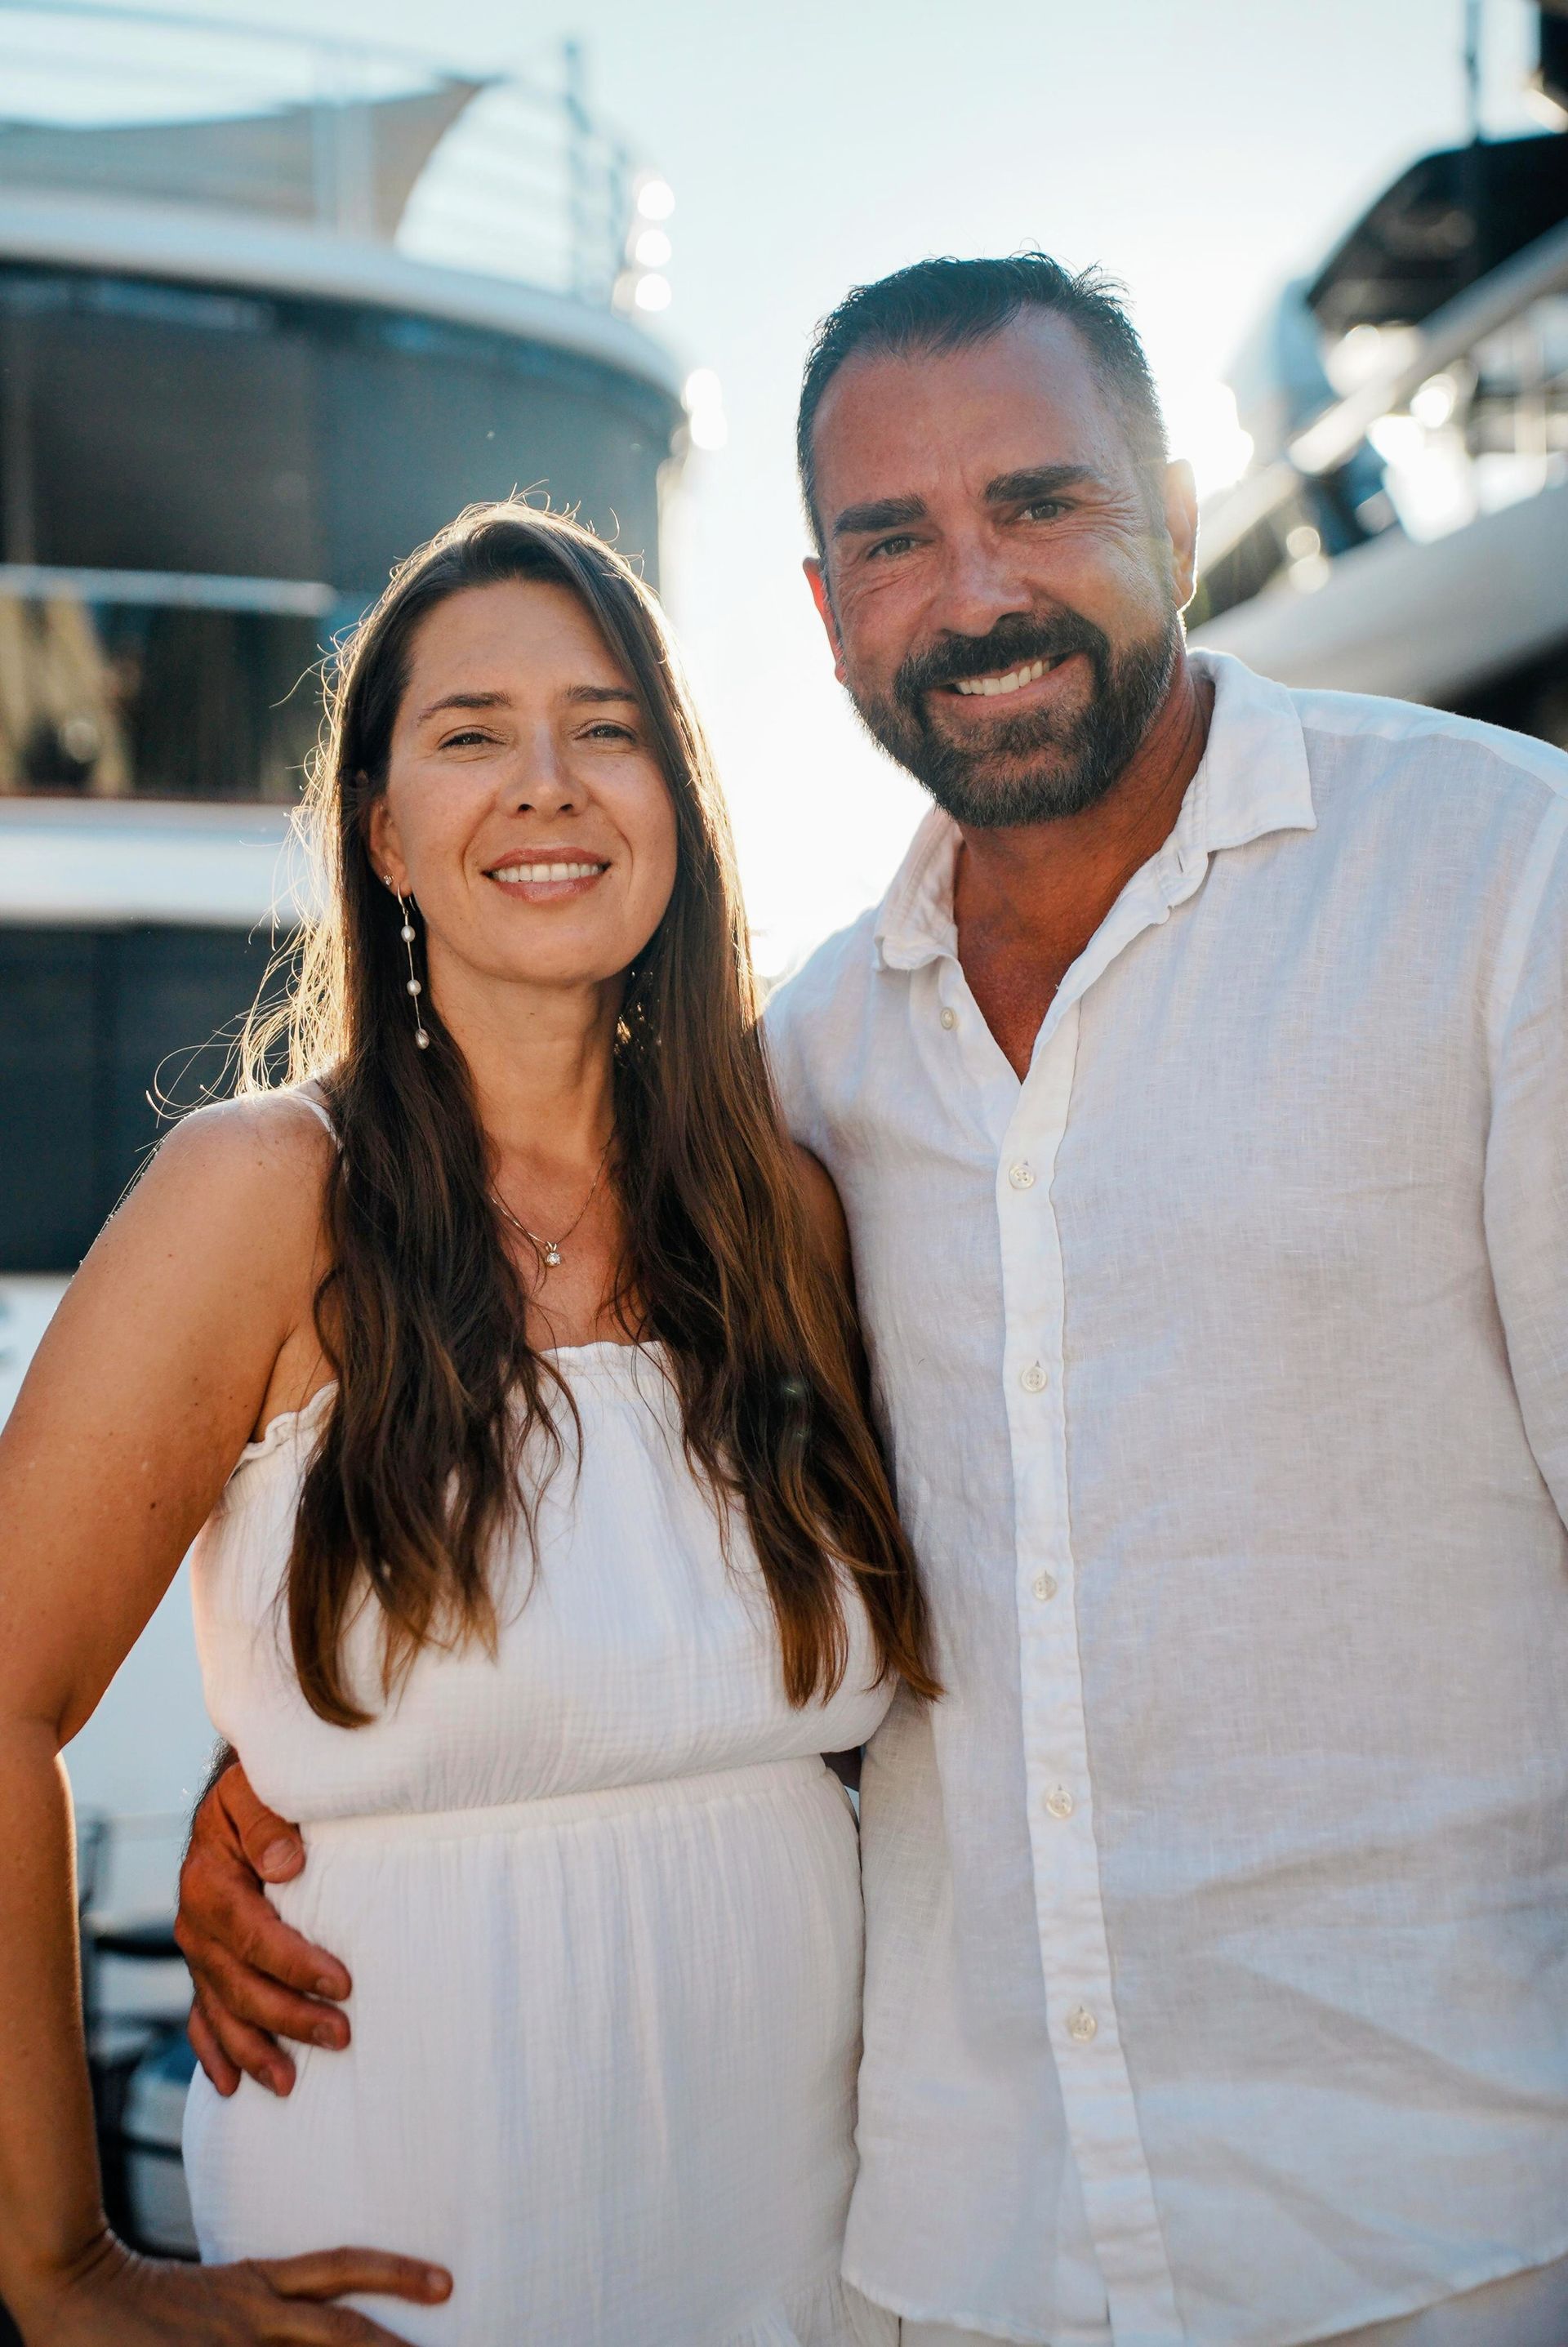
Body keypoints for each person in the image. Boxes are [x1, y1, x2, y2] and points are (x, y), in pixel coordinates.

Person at [180, 254, 1568, 2347]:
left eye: (1041, 503)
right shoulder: (800, 1077)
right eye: (893, 540)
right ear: (823, 610)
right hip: (947, 2253)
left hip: (1443, 2234)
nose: (977, 593)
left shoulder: (1500, 890)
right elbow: (667, 1520)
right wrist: (295, 1760)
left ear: (1177, 521)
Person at [0, 502, 936, 2346]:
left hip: (806, 2245)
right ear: (383, 831)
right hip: (408, 2251)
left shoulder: (788, 1215)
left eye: (607, 727)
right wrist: (59, 2266)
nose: (548, 784)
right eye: (469, 734)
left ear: (679, 795)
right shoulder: (264, 1195)